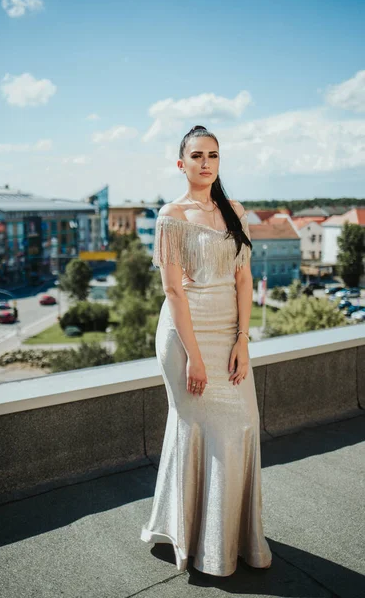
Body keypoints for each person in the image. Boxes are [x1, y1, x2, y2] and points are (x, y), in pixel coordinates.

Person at [140, 125, 272, 579]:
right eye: (196, 155)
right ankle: (193, 540)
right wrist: (195, 358)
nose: (205, 162)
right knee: (195, 428)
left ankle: (233, 538)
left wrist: (243, 339)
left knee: (243, 425)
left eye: (213, 155)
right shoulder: (171, 215)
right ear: (182, 164)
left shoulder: (235, 210)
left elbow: (244, 279)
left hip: (228, 332)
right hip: (184, 335)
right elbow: (173, 292)